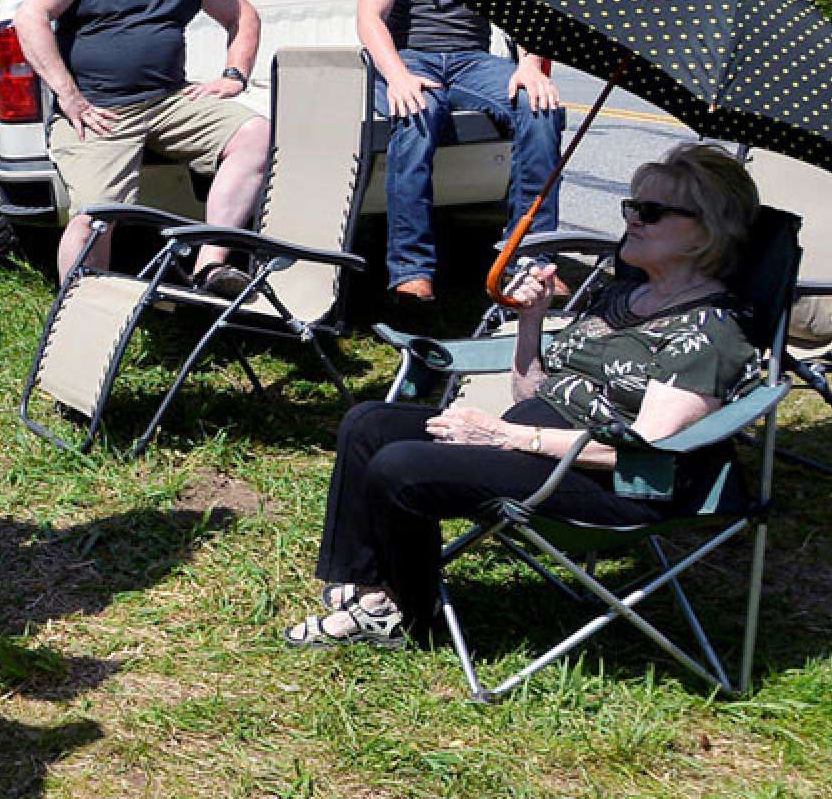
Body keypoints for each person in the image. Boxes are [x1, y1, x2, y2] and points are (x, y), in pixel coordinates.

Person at [283, 144, 764, 647]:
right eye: (631, 207)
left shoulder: (710, 333)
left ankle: (406, 613)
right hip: (539, 445)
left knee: (402, 464)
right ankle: (371, 587)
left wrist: (503, 435)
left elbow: (643, 452)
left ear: (705, 233)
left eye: (651, 212)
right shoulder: (628, 296)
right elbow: (536, 390)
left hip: (611, 487)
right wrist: (530, 323)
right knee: (369, 423)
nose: (632, 220)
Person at [12, 0, 270, 292]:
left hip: (171, 102)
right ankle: (83, 314)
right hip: (100, 111)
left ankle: (211, 264)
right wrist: (68, 95)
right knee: (96, 215)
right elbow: (30, 17)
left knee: (256, 134)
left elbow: (243, 16)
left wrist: (234, 75)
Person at [360, 0, 565, 303]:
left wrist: (531, 65)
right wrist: (397, 76)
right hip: (409, 56)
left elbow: (531, 13)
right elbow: (370, 18)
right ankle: (411, 270)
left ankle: (529, 258)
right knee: (415, 113)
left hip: (473, 61)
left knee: (542, 108)